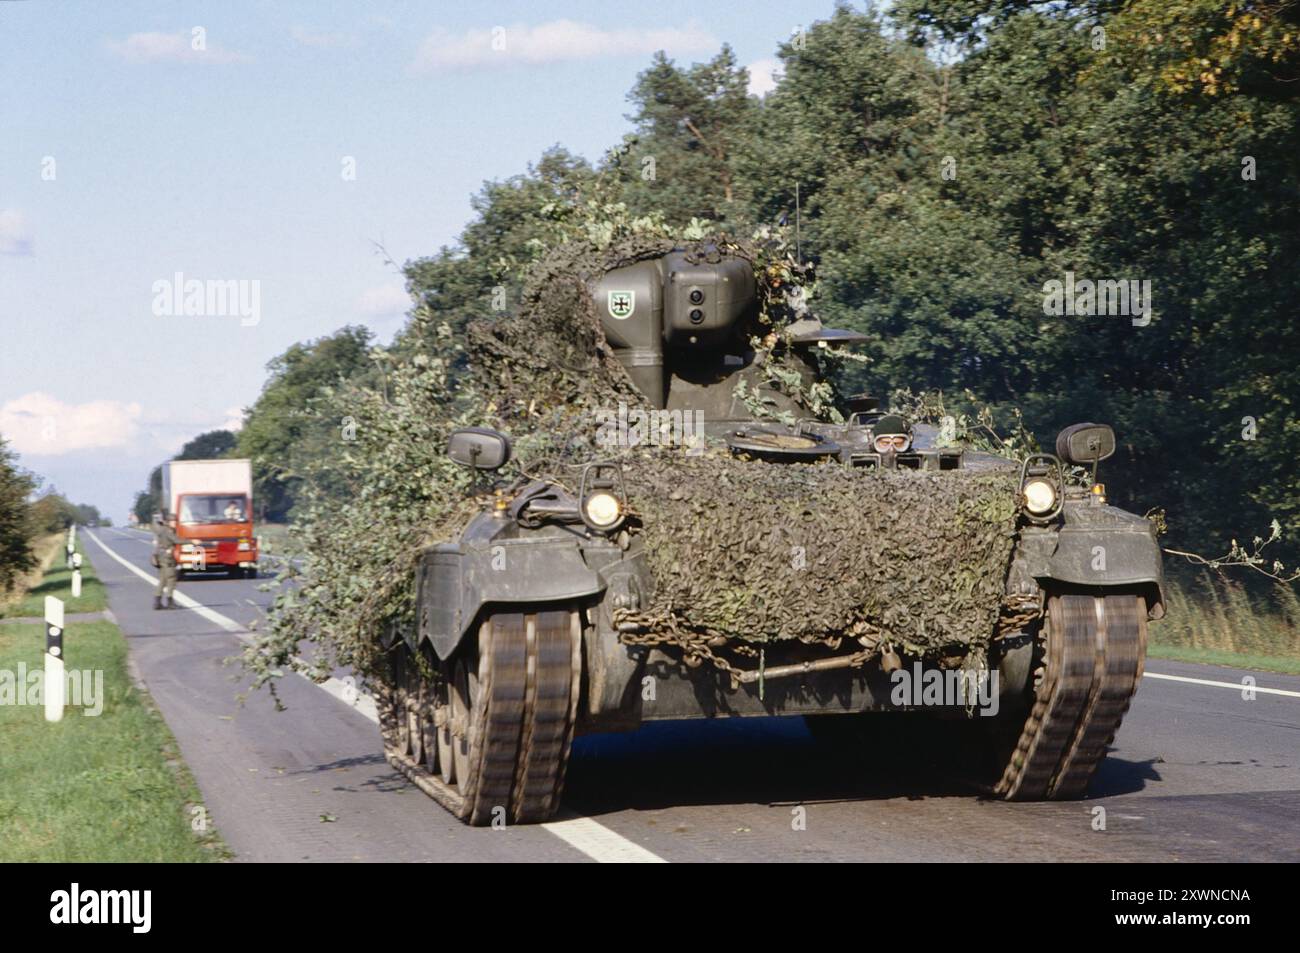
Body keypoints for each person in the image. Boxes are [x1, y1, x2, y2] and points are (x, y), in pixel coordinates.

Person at [152, 512, 181, 610]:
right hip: (167, 558)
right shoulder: (168, 531)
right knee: (171, 579)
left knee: (162, 580)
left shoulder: (161, 530)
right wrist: (192, 541)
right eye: (174, 521)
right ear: (169, 522)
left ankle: (157, 602)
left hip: (160, 557)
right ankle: (170, 602)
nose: (175, 523)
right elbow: (177, 540)